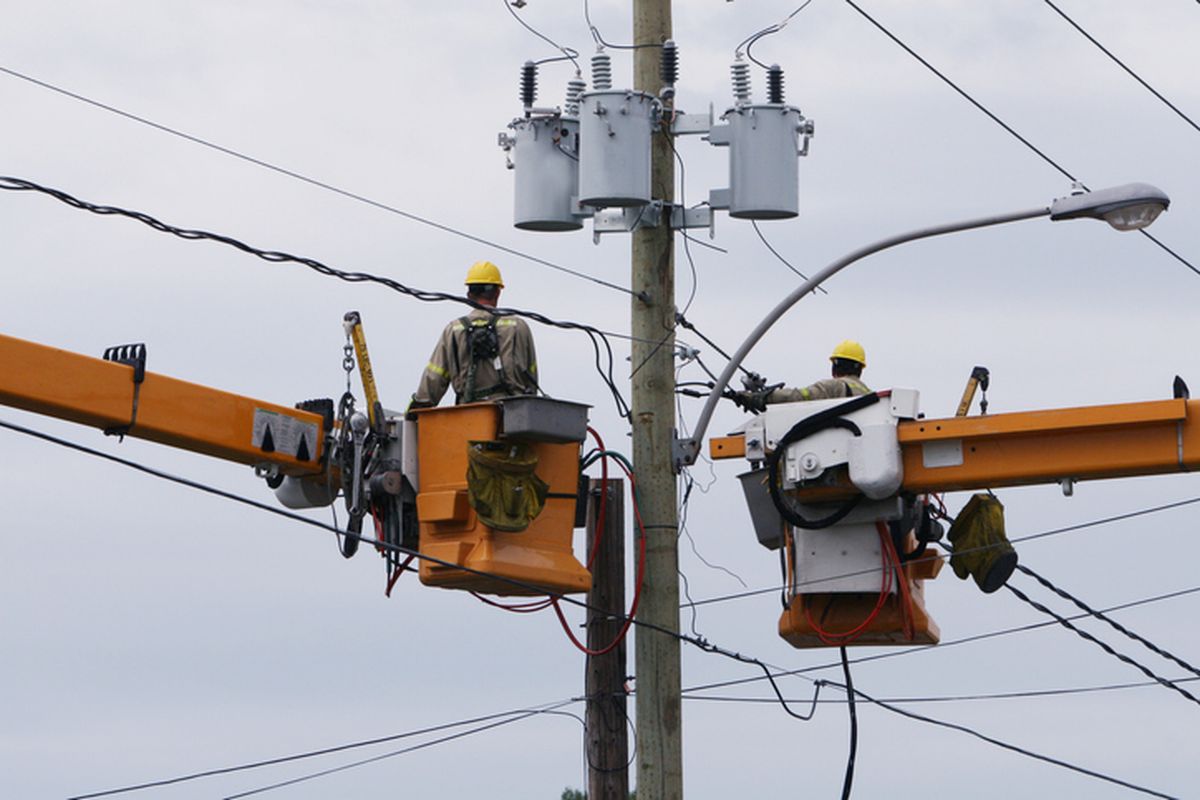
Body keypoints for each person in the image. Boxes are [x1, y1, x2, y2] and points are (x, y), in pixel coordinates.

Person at [411, 261, 539, 407]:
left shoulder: (454, 330)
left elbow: (433, 380)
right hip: (513, 416)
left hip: (469, 417)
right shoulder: (518, 327)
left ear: (469, 295)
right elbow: (531, 378)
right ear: (498, 292)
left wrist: (415, 410)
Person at [737, 340, 870, 411]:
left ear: (835, 365)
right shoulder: (868, 395)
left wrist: (761, 397)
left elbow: (799, 396)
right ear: (860, 369)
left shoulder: (835, 386)